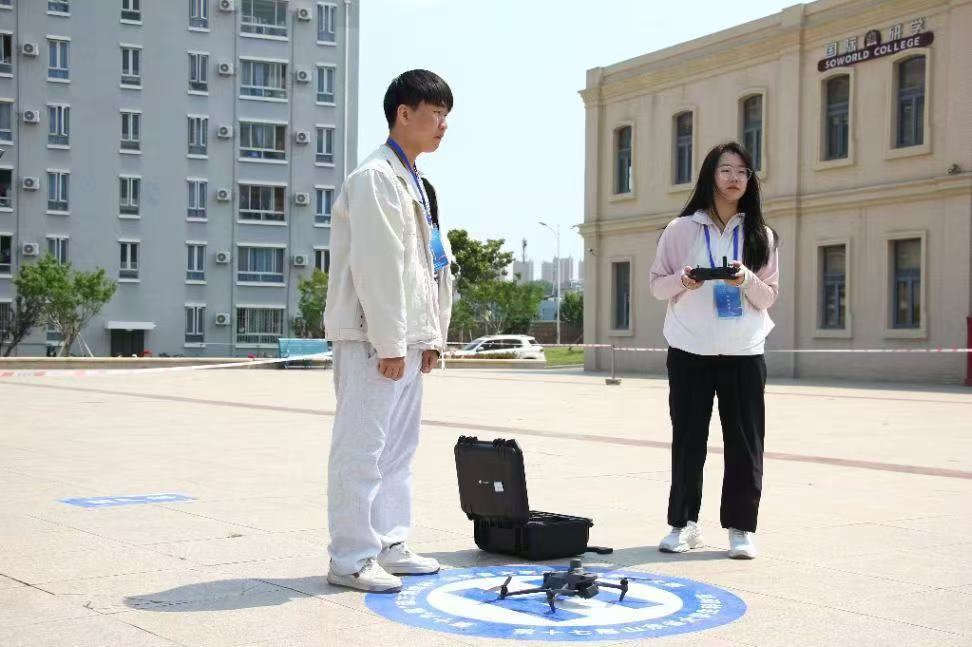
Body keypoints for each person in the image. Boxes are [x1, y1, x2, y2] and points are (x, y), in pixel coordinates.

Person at [323, 70, 455, 592]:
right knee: (361, 450)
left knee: (399, 451)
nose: (443, 125)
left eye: (446, 116)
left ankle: (389, 542)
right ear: (404, 113)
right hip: (371, 339)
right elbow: (378, 268)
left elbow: (430, 268)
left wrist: (432, 337)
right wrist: (390, 342)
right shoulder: (375, 178)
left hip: (408, 339)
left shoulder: (419, 183)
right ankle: (350, 556)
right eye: (435, 113)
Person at [648, 141, 780, 560]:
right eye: (726, 170)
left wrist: (745, 280)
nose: (734, 178)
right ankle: (683, 525)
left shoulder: (761, 235)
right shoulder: (680, 229)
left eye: (742, 171)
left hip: (744, 351)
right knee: (688, 441)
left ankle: (741, 529)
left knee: (745, 444)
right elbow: (657, 286)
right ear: (710, 175)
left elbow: (769, 296)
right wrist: (683, 281)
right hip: (690, 349)